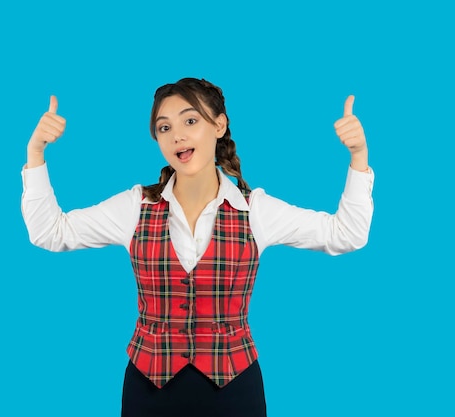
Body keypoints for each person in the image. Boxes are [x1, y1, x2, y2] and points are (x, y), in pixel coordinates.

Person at [21, 77, 374, 417]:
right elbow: (51, 231)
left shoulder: (256, 211)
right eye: (164, 127)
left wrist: (358, 157)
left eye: (190, 120)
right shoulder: (135, 206)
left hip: (235, 390)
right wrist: (35, 153)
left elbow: (345, 233)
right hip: (148, 390)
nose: (177, 135)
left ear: (219, 125)